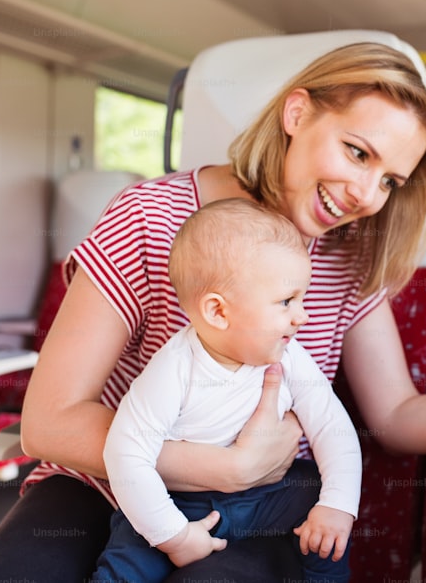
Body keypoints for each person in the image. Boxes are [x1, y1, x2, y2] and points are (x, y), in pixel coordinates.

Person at [0, 41, 426, 583]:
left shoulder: (353, 257)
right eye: (356, 153)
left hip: (266, 501)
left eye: (389, 181)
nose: (366, 195)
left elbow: (398, 417)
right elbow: (48, 424)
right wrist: (224, 467)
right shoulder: (150, 216)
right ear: (296, 114)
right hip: (101, 481)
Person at [91, 198, 361, 582]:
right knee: (129, 556)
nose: (302, 316)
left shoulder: (292, 357)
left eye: (302, 298)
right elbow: (126, 454)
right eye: (286, 301)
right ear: (219, 312)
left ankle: (324, 579)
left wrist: (336, 504)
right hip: (181, 501)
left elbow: (332, 426)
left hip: (266, 496)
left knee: (313, 488)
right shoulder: (174, 369)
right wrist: (176, 536)